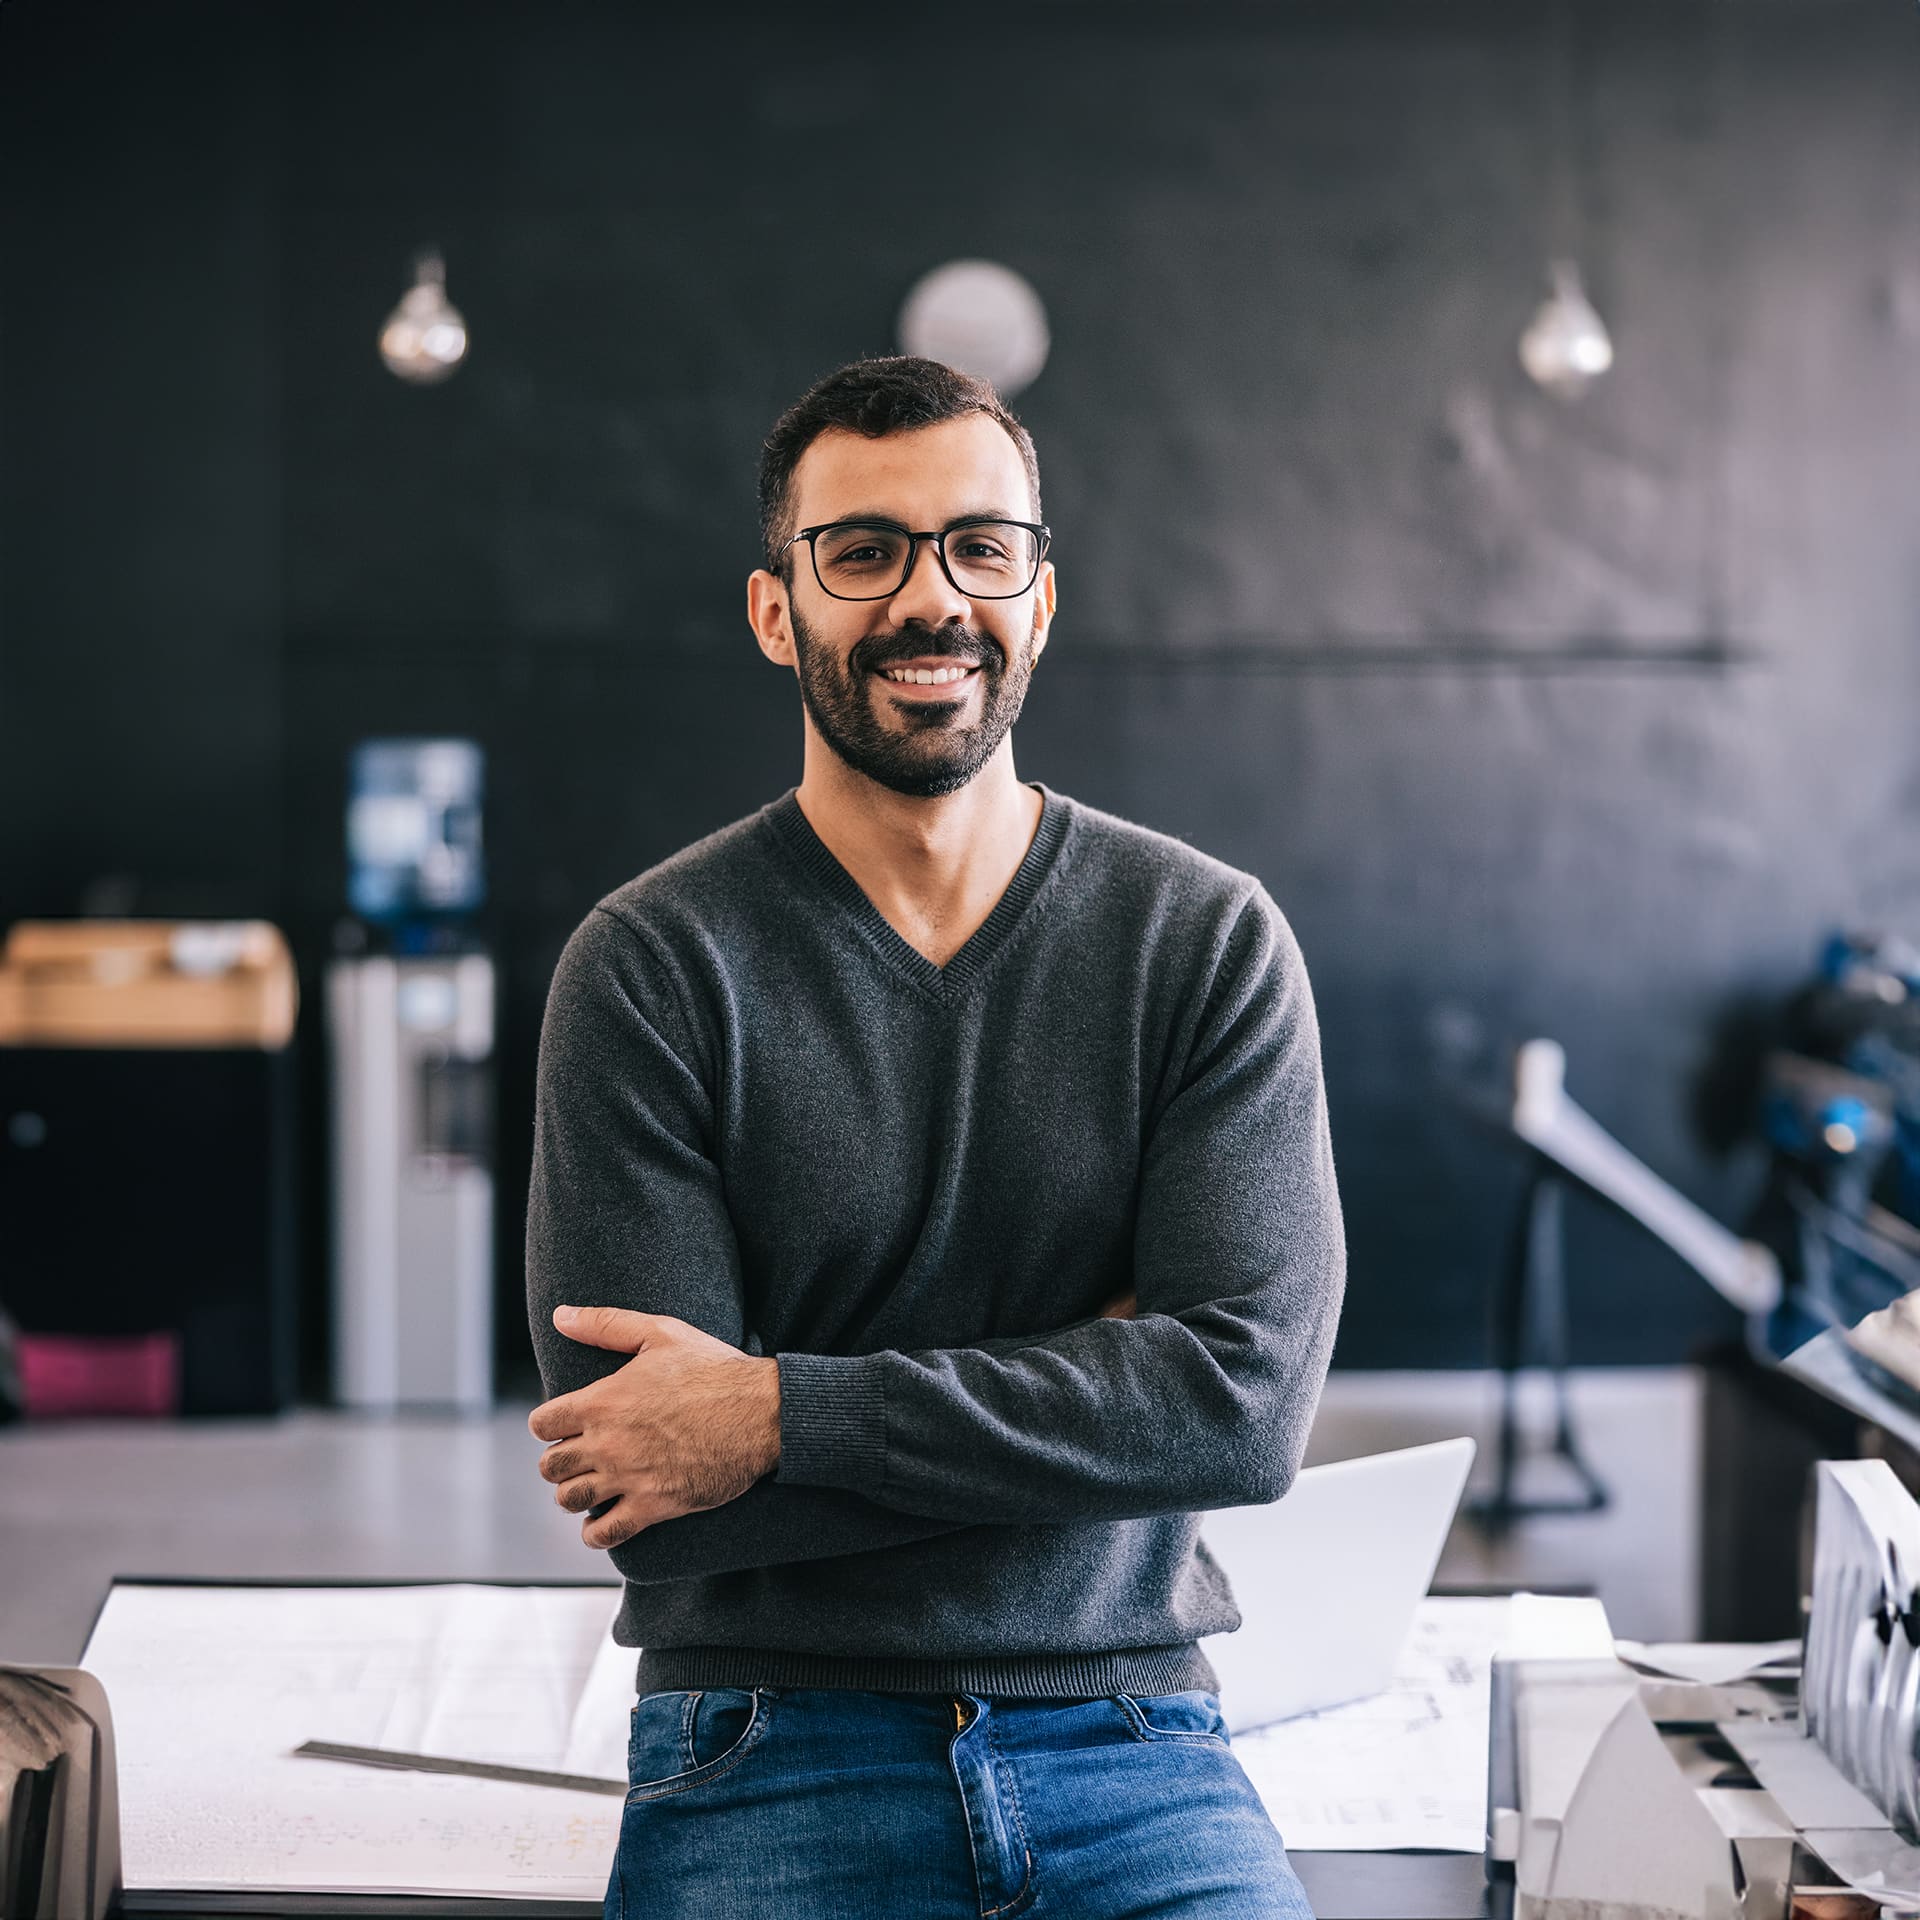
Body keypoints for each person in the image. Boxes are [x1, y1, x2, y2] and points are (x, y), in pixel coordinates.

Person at [524, 355, 1346, 1919]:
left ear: (1039, 598)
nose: (930, 599)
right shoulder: (649, 966)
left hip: (1131, 1735)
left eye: (982, 547)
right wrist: (1101, 1375)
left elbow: (1238, 1409)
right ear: (779, 610)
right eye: (863, 552)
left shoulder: (1203, 942)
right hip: (764, 1736)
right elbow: (644, 1478)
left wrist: (776, 1415)